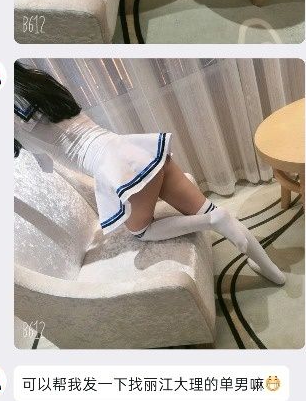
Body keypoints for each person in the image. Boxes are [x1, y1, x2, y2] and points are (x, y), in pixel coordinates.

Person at [14, 63, 285, 285]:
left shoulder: (12, 111)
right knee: (207, 207)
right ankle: (273, 271)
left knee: (142, 231)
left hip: (116, 165)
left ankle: (212, 221)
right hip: (135, 149)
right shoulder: (36, 81)